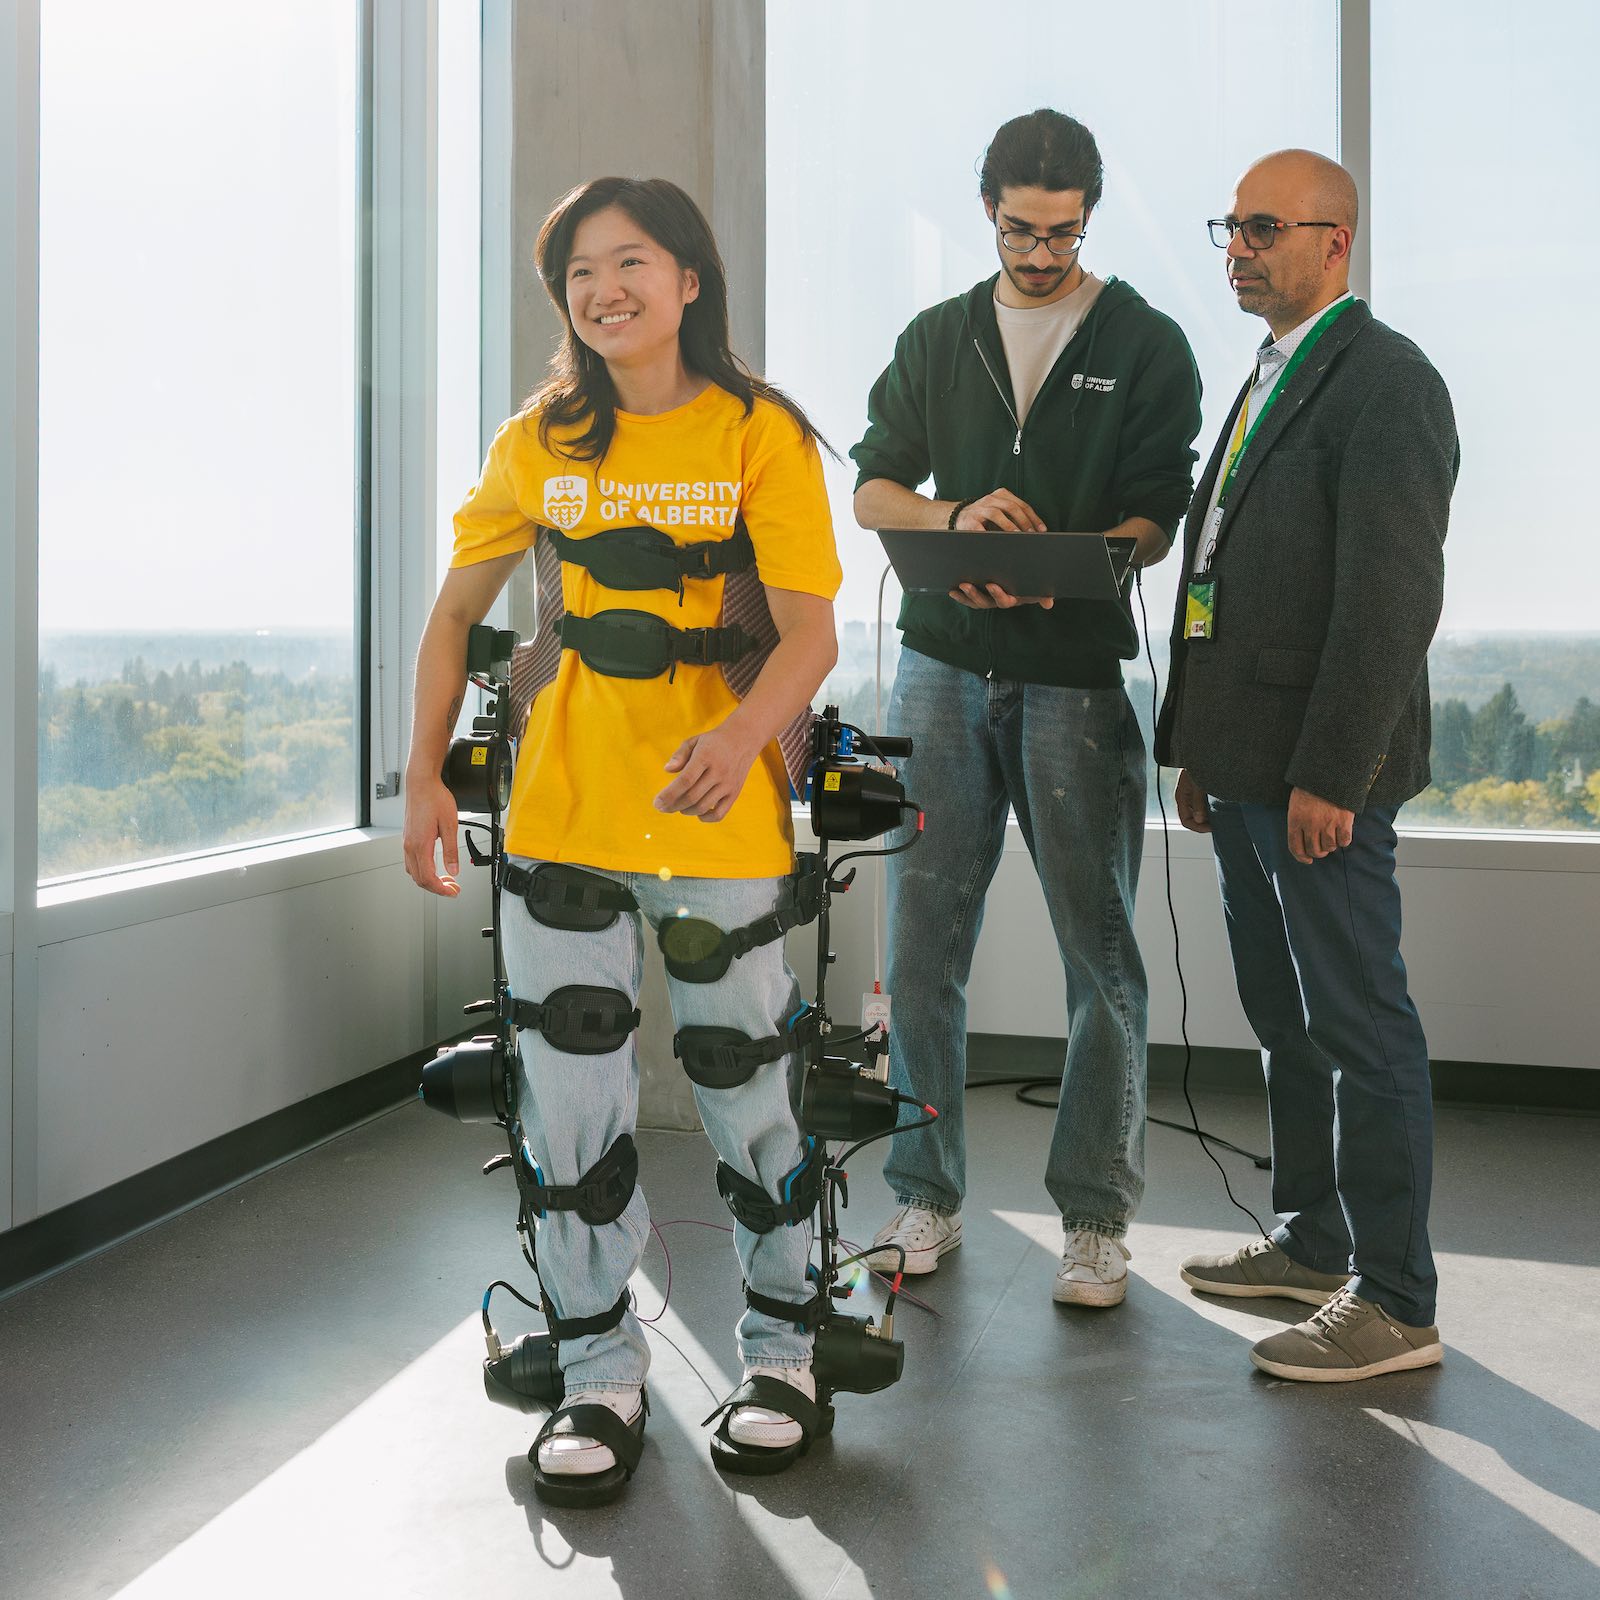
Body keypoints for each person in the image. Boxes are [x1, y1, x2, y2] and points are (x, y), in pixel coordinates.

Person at [403, 177, 842, 1500]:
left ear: (689, 280)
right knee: (574, 1111)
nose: (604, 292)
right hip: (562, 825)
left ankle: (784, 1354)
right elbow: (456, 616)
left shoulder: (762, 433)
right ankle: (595, 1370)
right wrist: (423, 772)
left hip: (718, 825)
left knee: (746, 1088)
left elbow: (810, 629)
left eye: (631, 263)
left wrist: (742, 728)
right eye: (579, 275)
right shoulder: (538, 440)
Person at [852, 109, 1201, 1305]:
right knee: (920, 947)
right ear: (988, 208)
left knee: (1097, 952)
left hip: (1073, 683)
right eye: (1018, 229)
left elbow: (1158, 510)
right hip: (940, 668)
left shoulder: (1145, 342)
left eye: (1060, 233)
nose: (1038, 254)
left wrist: (1075, 557)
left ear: (1088, 215)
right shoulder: (937, 337)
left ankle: (1096, 1219)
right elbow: (873, 490)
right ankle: (924, 1193)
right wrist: (952, 522)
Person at [1157, 149, 1459, 1381]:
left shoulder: (1387, 382)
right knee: (1284, 1019)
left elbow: (1388, 601)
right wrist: (1196, 750)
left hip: (1319, 779)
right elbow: (1222, 571)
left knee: (1359, 1022)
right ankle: (1312, 1235)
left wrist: (1334, 772)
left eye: (1263, 226)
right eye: (1229, 224)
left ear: (1335, 241)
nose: (1237, 245)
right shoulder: (1270, 373)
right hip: (1243, 767)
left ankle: (1394, 1297)